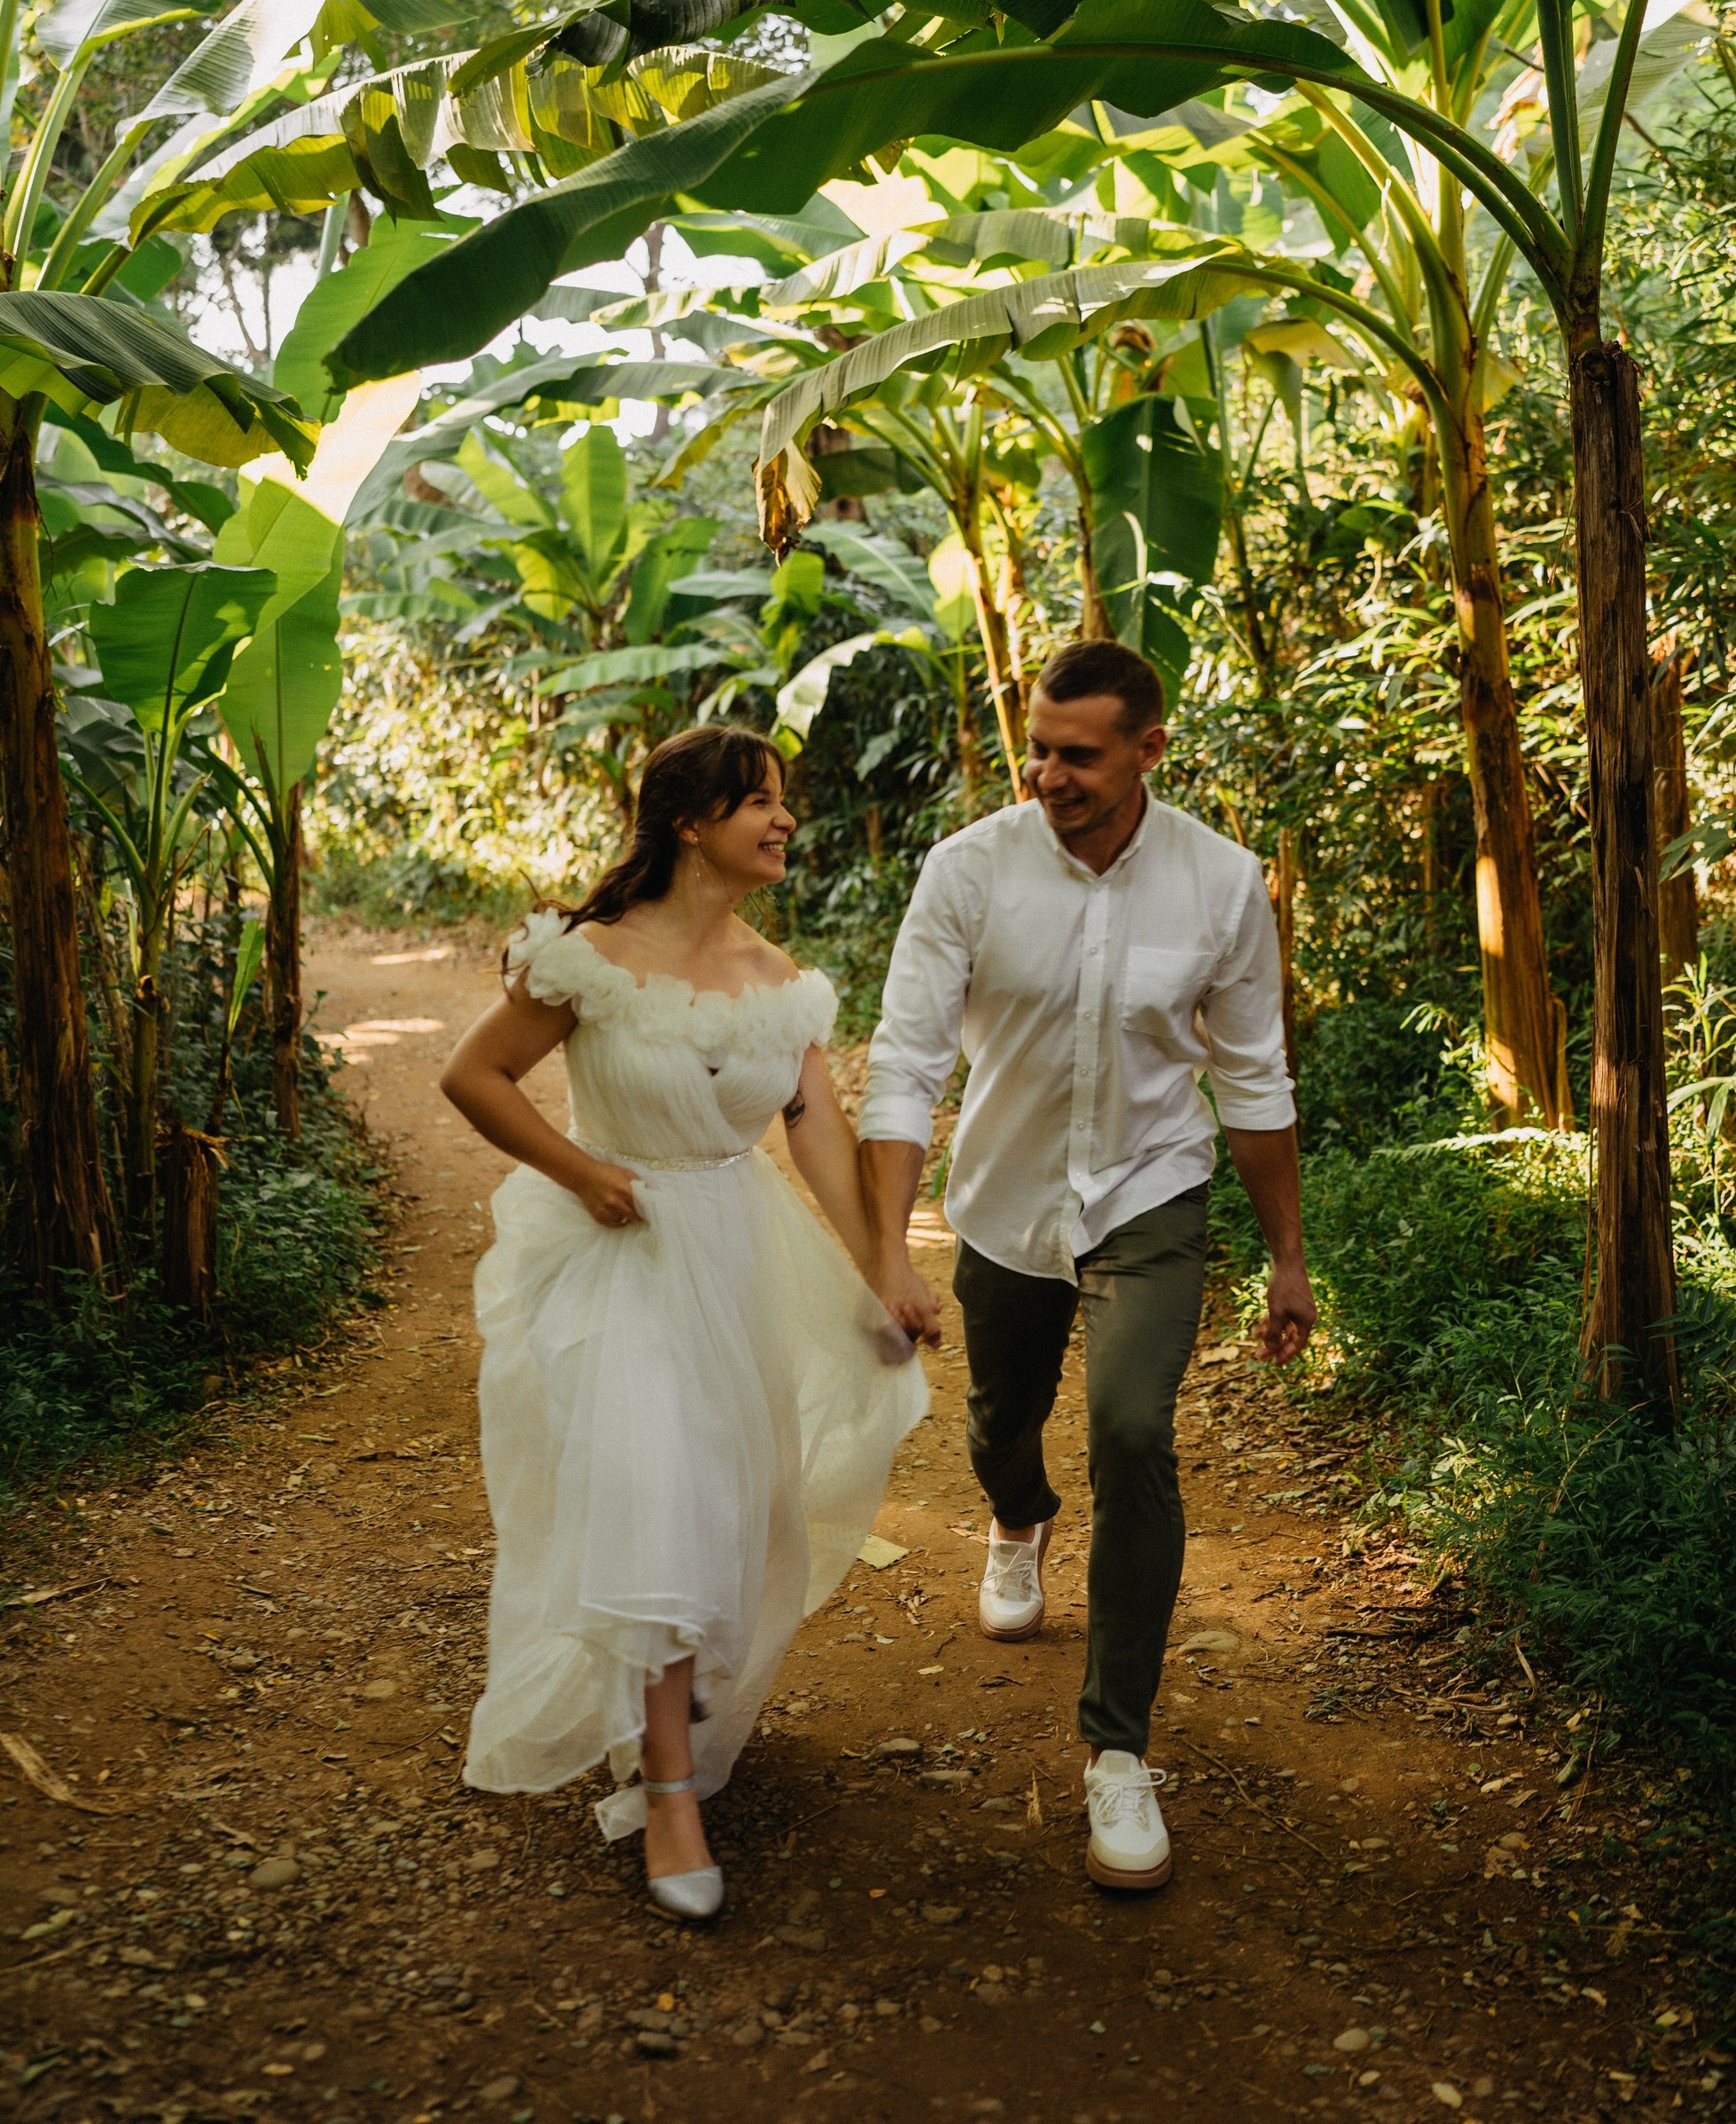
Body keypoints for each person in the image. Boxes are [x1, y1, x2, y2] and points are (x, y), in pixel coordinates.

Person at [440, 725, 929, 1920]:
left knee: (735, 1504)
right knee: (655, 1493)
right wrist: (581, 1173)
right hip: (622, 1252)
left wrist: (882, 1265)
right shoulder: (586, 959)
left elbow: (814, 1130)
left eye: (782, 802)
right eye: (756, 802)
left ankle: (678, 1707)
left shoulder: (780, 980)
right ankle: (667, 1793)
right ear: (688, 821)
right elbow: (474, 1077)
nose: (782, 821)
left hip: (734, 1246)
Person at [857, 639, 1315, 1892]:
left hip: (1150, 1194)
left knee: (1130, 1430)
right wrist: (887, 1248)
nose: (1046, 773)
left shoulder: (1220, 886)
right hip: (1003, 1206)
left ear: (1149, 751)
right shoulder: (969, 871)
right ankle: (1018, 1518)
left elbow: (1253, 1078)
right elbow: (905, 1063)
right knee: (1001, 1425)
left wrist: (1287, 1258)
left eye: (1077, 754)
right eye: (1036, 748)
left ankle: (1118, 1751)